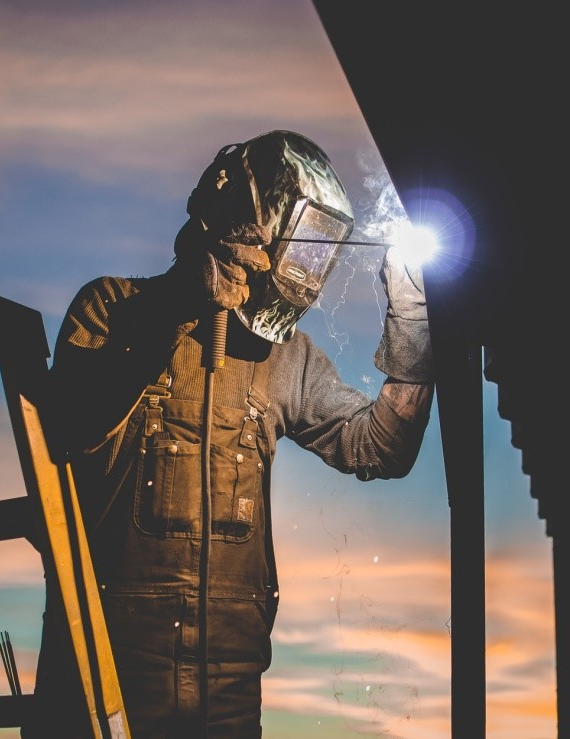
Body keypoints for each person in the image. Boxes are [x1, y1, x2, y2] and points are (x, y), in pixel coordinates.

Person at [22, 130, 434, 738]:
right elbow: (70, 428)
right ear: (243, 221)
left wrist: (416, 330)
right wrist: (176, 312)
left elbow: (382, 448)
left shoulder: (287, 358)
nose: (305, 266)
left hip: (230, 695)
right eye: (301, 241)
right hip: (103, 681)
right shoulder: (112, 307)